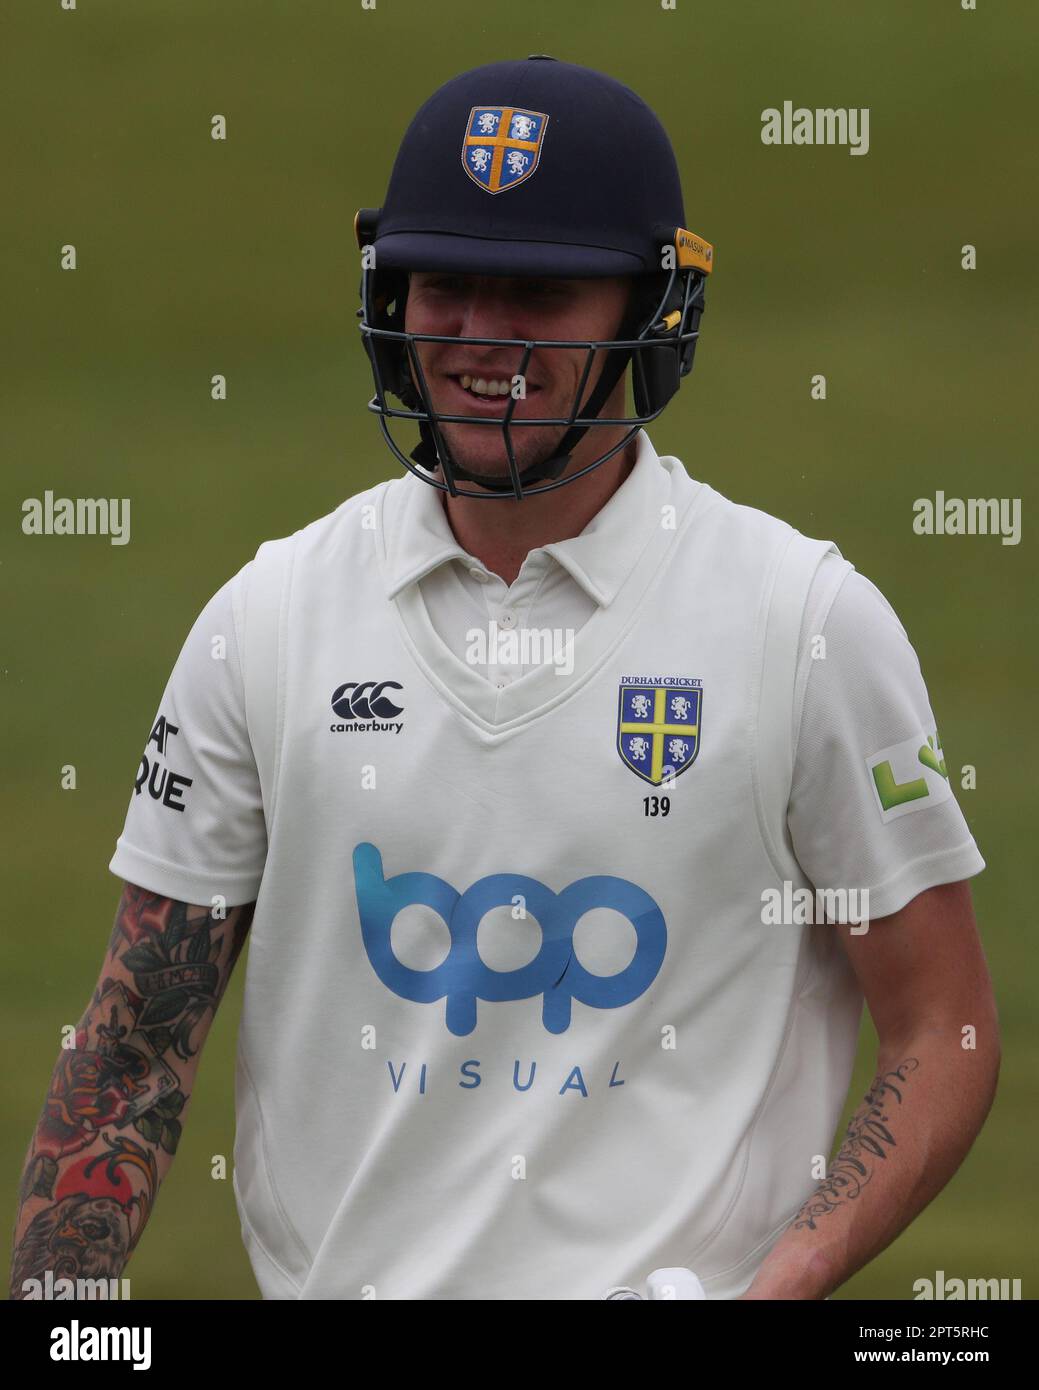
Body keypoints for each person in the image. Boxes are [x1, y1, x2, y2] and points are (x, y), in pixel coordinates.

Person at [11, 57, 997, 1302]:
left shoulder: (802, 623)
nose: (480, 338)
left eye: (538, 292)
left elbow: (942, 1030)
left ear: (650, 310)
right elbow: (131, 1053)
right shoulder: (266, 621)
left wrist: (788, 1275)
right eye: (446, 285)